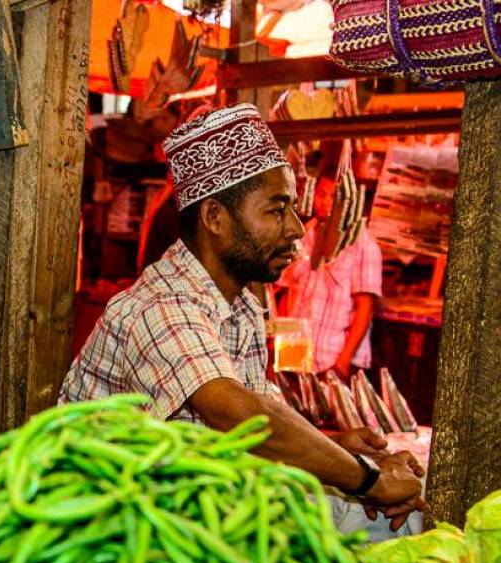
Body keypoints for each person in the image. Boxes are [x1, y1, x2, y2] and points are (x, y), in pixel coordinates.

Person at [61, 104, 422, 528]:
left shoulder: (241, 305)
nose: (296, 228)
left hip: (186, 517)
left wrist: (335, 447)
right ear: (215, 217)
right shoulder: (160, 306)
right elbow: (235, 410)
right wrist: (368, 479)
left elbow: (252, 431)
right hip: (107, 532)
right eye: (275, 209)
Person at [277, 176, 383, 380]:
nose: (325, 202)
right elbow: (287, 293)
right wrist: (280, 346)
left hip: (331, 358)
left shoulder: (363, 245)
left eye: (334, 196)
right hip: (293, 355)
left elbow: (365, 308)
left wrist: (343, 362)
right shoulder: (301, 237)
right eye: (321, 194)